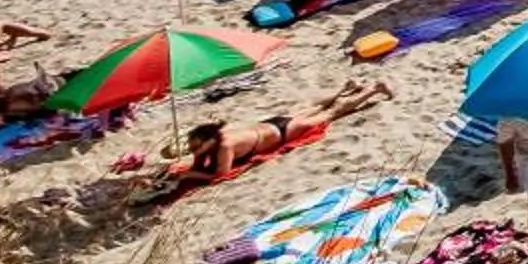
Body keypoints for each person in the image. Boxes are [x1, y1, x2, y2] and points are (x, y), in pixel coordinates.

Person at [162, 79, 395, 188]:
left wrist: (189, 176)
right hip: (268, 124)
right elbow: (200, 159)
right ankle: (345, 88)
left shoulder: (224, 147)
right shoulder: (218, 134)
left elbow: (220, 174)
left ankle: (374, 89)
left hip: (280, 133)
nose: (194, 151)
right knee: (311, 107)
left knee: (330, 114)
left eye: (196, 148)